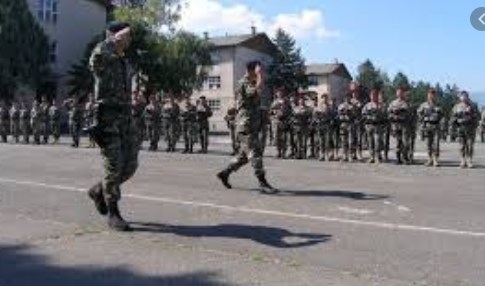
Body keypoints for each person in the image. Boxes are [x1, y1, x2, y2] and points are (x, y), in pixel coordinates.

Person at [86, 22, 139, 231]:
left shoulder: (124, 61)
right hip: (108, 117)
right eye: (126, 35)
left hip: (126, 117)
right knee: (113, 165)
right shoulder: (102, 55)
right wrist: (110, 40)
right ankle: (113, 213)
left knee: (130, 165)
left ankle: (99, 190)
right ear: (115, 35)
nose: (129, 39)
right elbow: (94, 63)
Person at [216, 61, 277, 194]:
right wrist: (259, 76)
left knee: (243, 157)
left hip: (251, 125)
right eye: (259, 70)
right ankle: (262, 183)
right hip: (246, 127)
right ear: (252, 70)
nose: (262, 72)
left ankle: (225, 173)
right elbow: (253, 92)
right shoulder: (245, 82)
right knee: (255, 153)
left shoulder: (250, 82)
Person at [451, 91, 479, 168]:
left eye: (465, 96)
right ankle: (462, 160)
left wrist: (470, 114)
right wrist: (456, 121)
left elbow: (476, 117)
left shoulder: (473, 106)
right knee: (461, 146)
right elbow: (453, 118)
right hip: (461, 128)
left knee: (470, 145)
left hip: (470, 128)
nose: (463, 97)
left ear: (467, 96)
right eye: (462, 96)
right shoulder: (456, 107)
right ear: (460, 97)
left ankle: (469, 160)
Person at [417, 89, 443, 167]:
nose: (431, 96)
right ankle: (429, 159)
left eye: (433, 94)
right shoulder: (424, 105)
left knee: (436, 143)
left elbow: (442, 115)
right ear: (428, 95)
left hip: (436, 126)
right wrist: (422, 119)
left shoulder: (438, 105)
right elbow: (418, 113)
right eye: (430, 94)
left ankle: (435, 159)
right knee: (428, 143)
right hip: (427, 126)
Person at [362, 89, 387, 164]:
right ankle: (371, 156)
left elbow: (385, 115)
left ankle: (377, 156)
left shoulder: (381, 105)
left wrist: (378, 113)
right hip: (369, 125)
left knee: (377, 142)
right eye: (372, 95)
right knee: (370, 142)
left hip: (378, 126)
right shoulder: (367, 105)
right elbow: (363, 114)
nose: (373, 97)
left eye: (374, 95)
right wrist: (368, 116)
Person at [388, 88, 412, 164]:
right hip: (396, 124)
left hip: (404, 124)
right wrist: (393, 115)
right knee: (398, 142)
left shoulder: (406, 102)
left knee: (405, 142)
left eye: (401, 93)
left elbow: (407, 111)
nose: (399, 94)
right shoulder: (393, 103)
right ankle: (398, 158)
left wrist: (399, 110)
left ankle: (405, 157)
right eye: (398, 92)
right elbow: (389, 111)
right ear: (396, 93)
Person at [270, 88, 292, 159]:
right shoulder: (274, 101)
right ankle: (278, 151)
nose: (279, 94)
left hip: (284, 121)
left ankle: (284, 152)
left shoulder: (286, 101)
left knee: (284, 138)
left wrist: (287, 118)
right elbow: (270, 111)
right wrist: (274, 114)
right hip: (276, 121)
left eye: (281, 92)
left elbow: (290, 111)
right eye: (278, 93)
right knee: (276, 137)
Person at [315, 93, 337, 161]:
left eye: (326, 98)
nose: (324, 99)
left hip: (327, 124)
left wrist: (331, 120)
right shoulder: (319, 107)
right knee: (321, 140)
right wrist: (317, 120)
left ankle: (327, 154)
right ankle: (322, 154)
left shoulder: (330, 107)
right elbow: (315, 116)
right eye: (323, 98)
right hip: (320, 124)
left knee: (327, 140)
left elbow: (333, 115)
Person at [337, 94, 357, 162]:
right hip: (343, 124)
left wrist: (350, 113)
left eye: (348, 97)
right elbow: (338, 115)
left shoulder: (352, 106)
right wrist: (343, 115)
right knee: (343, 141)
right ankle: (344, 155)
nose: (347, 99)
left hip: (350, 124)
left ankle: (350, 155)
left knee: (350, 141)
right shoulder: (341, 106)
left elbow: (355, 115)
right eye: (346, 98)